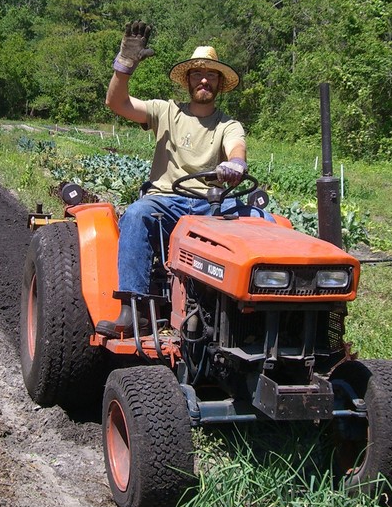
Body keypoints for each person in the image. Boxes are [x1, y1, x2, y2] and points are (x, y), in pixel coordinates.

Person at [94, 20, 272, 338]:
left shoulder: (227, 125)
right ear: (188, 80)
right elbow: (116, 103)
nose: (204, 79)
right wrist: (124, 65)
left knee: (266, 221)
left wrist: (236, 163)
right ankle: (134, 310)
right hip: (166, 201)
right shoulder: (165, 111)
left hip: (211, 204)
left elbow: (237, 148)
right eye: (197, 74)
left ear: (219, 83)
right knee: (137, 214)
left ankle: (262, 309)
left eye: (211, 75)